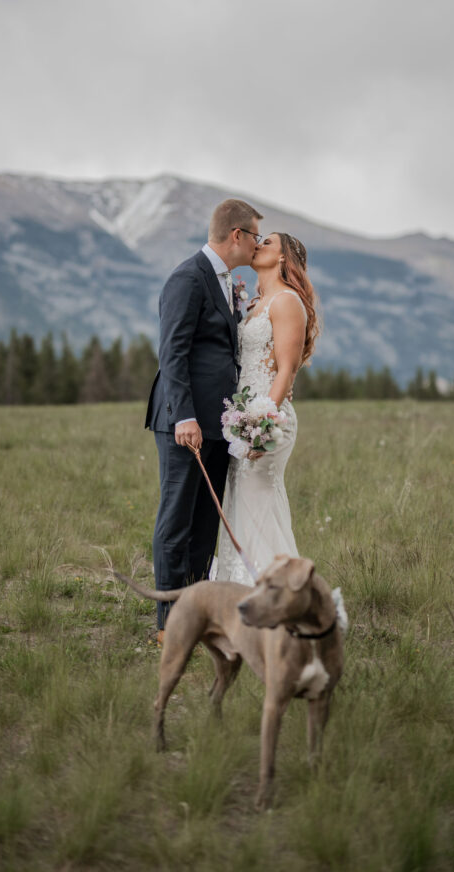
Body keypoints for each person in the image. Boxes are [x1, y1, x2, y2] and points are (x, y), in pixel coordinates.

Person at [145, 199, 263, 640]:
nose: (257, 245)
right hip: (185, 421)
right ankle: (169, 625)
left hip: (219, 424)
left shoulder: (227, 281)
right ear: (237, 236)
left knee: (204, 523)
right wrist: (185, 416)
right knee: (176, 521)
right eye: (254, 236)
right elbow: (172, 352)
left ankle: (194, 615)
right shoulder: (187, 277)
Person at [211, 232, 320, 584]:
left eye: (268, 242)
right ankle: (244, 591)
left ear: (284, 258)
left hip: (266, 422)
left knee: (258, 509)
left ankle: (277, 594)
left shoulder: (287, 301)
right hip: (243, 421)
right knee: (242, 508)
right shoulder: (258, 303)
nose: (258, 245)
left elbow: (287, 369)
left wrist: (262, 425)